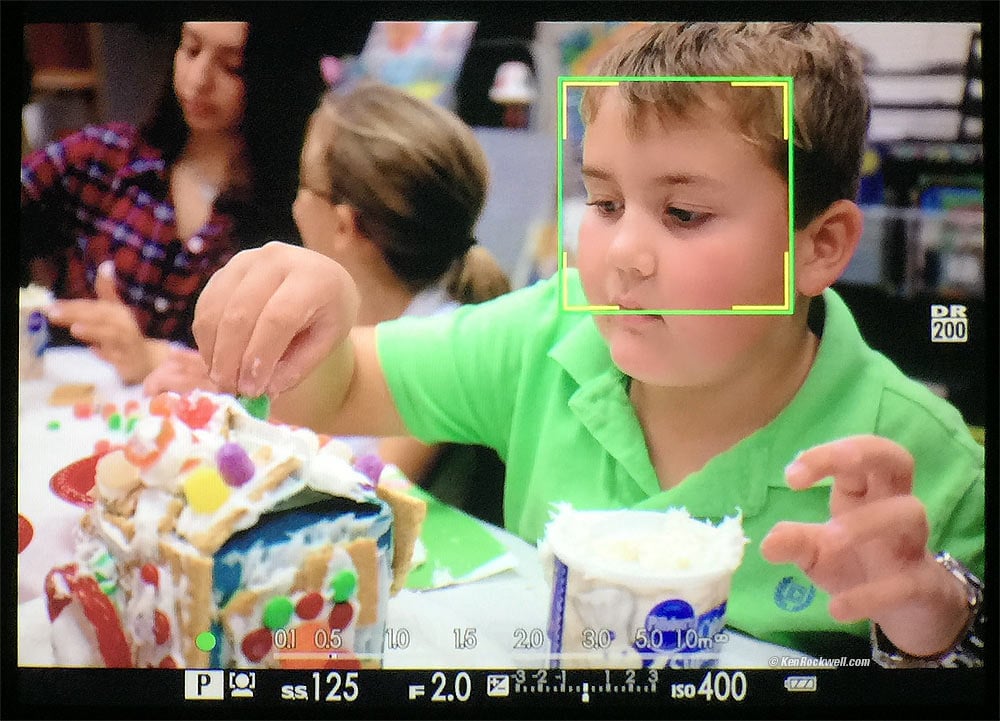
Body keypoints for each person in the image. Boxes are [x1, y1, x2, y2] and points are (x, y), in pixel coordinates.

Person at [189, 23, 985, 665]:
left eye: (682, 214)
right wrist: (318, 303)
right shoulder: (548, 337)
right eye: (604, 201)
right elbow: (327, 388)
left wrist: (933, 621)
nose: (623, 254)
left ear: (819, 246)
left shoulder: (927, 462)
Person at [145, 81, 511, 495]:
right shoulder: (344, 317)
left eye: (303, 184)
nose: (294, 204)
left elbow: (368, 486)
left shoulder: (443, 350)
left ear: (345, 224)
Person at [20, 20, 322, 384]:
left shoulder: (296, 210)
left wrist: (157, 357)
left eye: (232, 66)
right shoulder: (106, 159)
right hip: (67, 410)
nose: (199, 79)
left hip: (204, 432)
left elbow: (301, 374)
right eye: (191, 49)